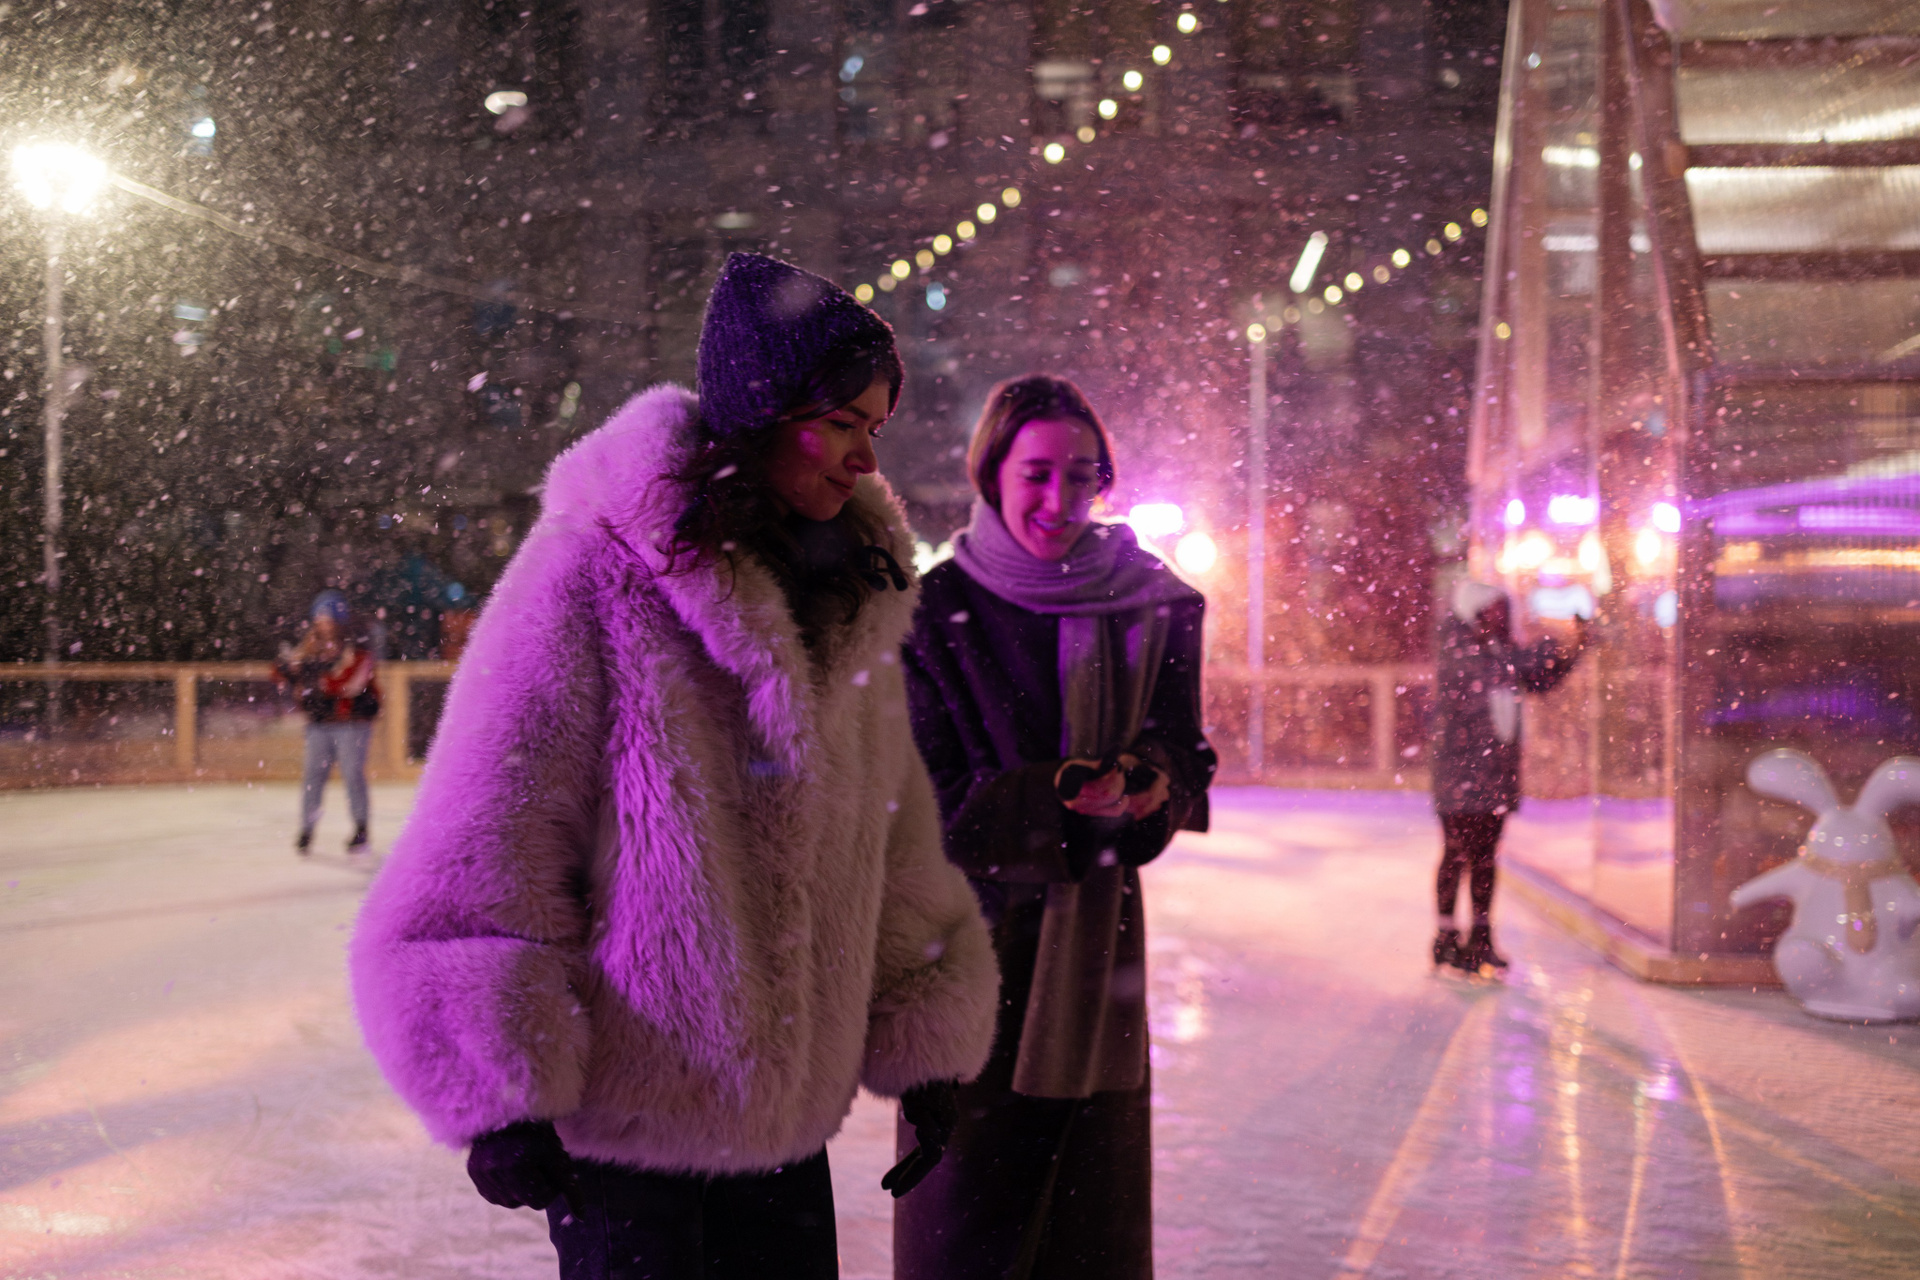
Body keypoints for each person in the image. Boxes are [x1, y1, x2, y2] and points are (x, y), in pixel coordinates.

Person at [348, 252, 998, 1280]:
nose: (863, 459)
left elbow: (892, 827)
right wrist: (499, 1088)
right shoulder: (590, 573)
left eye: (874, 427)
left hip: (782, 1124)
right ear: (766, 410)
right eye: (843, 422)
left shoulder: (853, 596)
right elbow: (491, 830)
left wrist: (919, 1028)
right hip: (629, 1129)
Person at [896, 374, 1215, 1280]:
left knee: (1090, 1230)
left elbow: (1186, 751)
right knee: (969, 1233)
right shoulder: (932, 613)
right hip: (970, 958)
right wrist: (1059, 798)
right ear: (991, 472)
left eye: (1082, 476)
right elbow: (916, 802)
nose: (1059, 499)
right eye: (1036, 473)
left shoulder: (1154, 602)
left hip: (1097, 963)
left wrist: (1150, 784)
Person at [1430, 579, 1588, 973]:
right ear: (1475, 611)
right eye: (1495, 610)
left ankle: (1479, 937)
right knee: (1458, 852)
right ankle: (1446, 936)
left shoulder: (1498, 652)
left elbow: (1535, 676)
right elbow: (1509, 672)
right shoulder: (1463, 650)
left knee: (1484, 857)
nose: (1501, 618)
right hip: (1461, 774)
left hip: (1492, 775)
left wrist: (1569, 649)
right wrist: (1552, 647)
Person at [275, 589, 380, 853]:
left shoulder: (356, 648)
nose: (324, 625)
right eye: (320, 620)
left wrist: (315, 681)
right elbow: (282, 672)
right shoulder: (309, 649)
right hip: (319, 724)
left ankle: (360, 827)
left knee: (352, 775)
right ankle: (307, 829)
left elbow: (349, 683)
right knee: (313, 776)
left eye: (328, 619)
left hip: (350, 722)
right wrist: (294, 672)